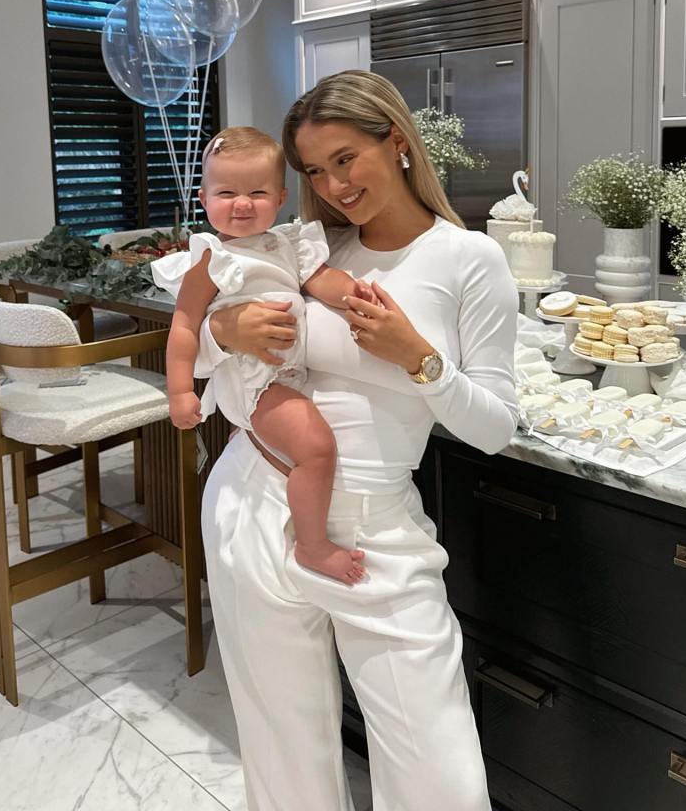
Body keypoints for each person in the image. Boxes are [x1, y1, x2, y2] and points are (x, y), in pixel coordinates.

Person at [194, 71, 518, 811]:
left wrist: (420, 360)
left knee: (446, 785)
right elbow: (208, 349)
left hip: (375, 533)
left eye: (346, 158)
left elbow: (495, 428)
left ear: (396, 142)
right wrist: (223, 328)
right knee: (285, 756)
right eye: (313, 170)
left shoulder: (469, 260)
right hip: (253, 502)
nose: (334, 185)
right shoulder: (307, 249)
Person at [152, 125, 374, 584]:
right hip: (257, 378)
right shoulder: (208, 259)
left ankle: (259, 461)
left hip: (286, 374)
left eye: (257, 191)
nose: (242, 203)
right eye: (226, 191)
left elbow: (322, 279)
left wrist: (357, 295)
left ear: (280, 197)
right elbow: (184, 325)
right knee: (316, 448)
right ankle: (312, 546)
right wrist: (179, 391)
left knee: (301, 447)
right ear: (204, 198)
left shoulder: (286, 244)